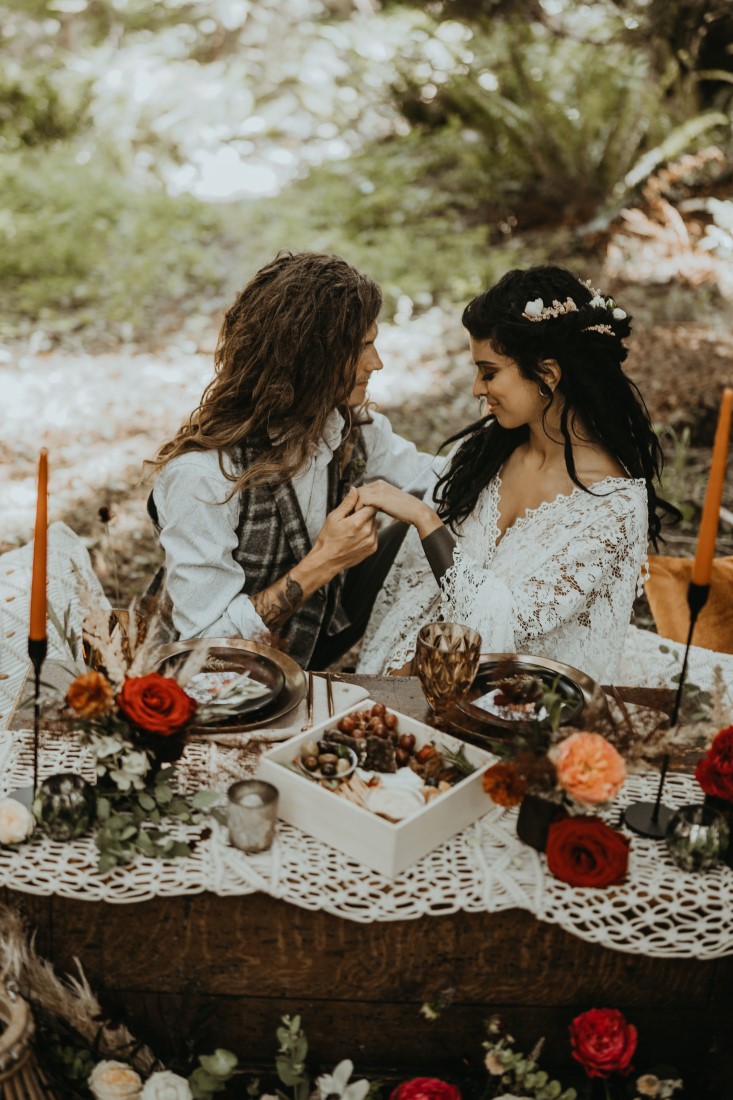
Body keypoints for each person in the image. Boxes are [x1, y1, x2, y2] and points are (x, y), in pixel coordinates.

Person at [356, 265, 679, 683]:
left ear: (547, 375)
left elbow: (511, 631)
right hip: (415, 667)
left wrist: (424, 519)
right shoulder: (486, 452)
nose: (477, 388)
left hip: (516, 698)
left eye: (489, 372)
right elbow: (420, 588)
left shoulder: (612, 506)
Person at [147, 251, 432, 668]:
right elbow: (205, 649)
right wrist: (326, 559)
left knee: (431, 521)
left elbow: (439, 477)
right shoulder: (203, 476)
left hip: (313, 645)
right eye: (363, 348)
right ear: (310, 358)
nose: (377, 363)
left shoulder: (349, 426)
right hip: (208, 680)